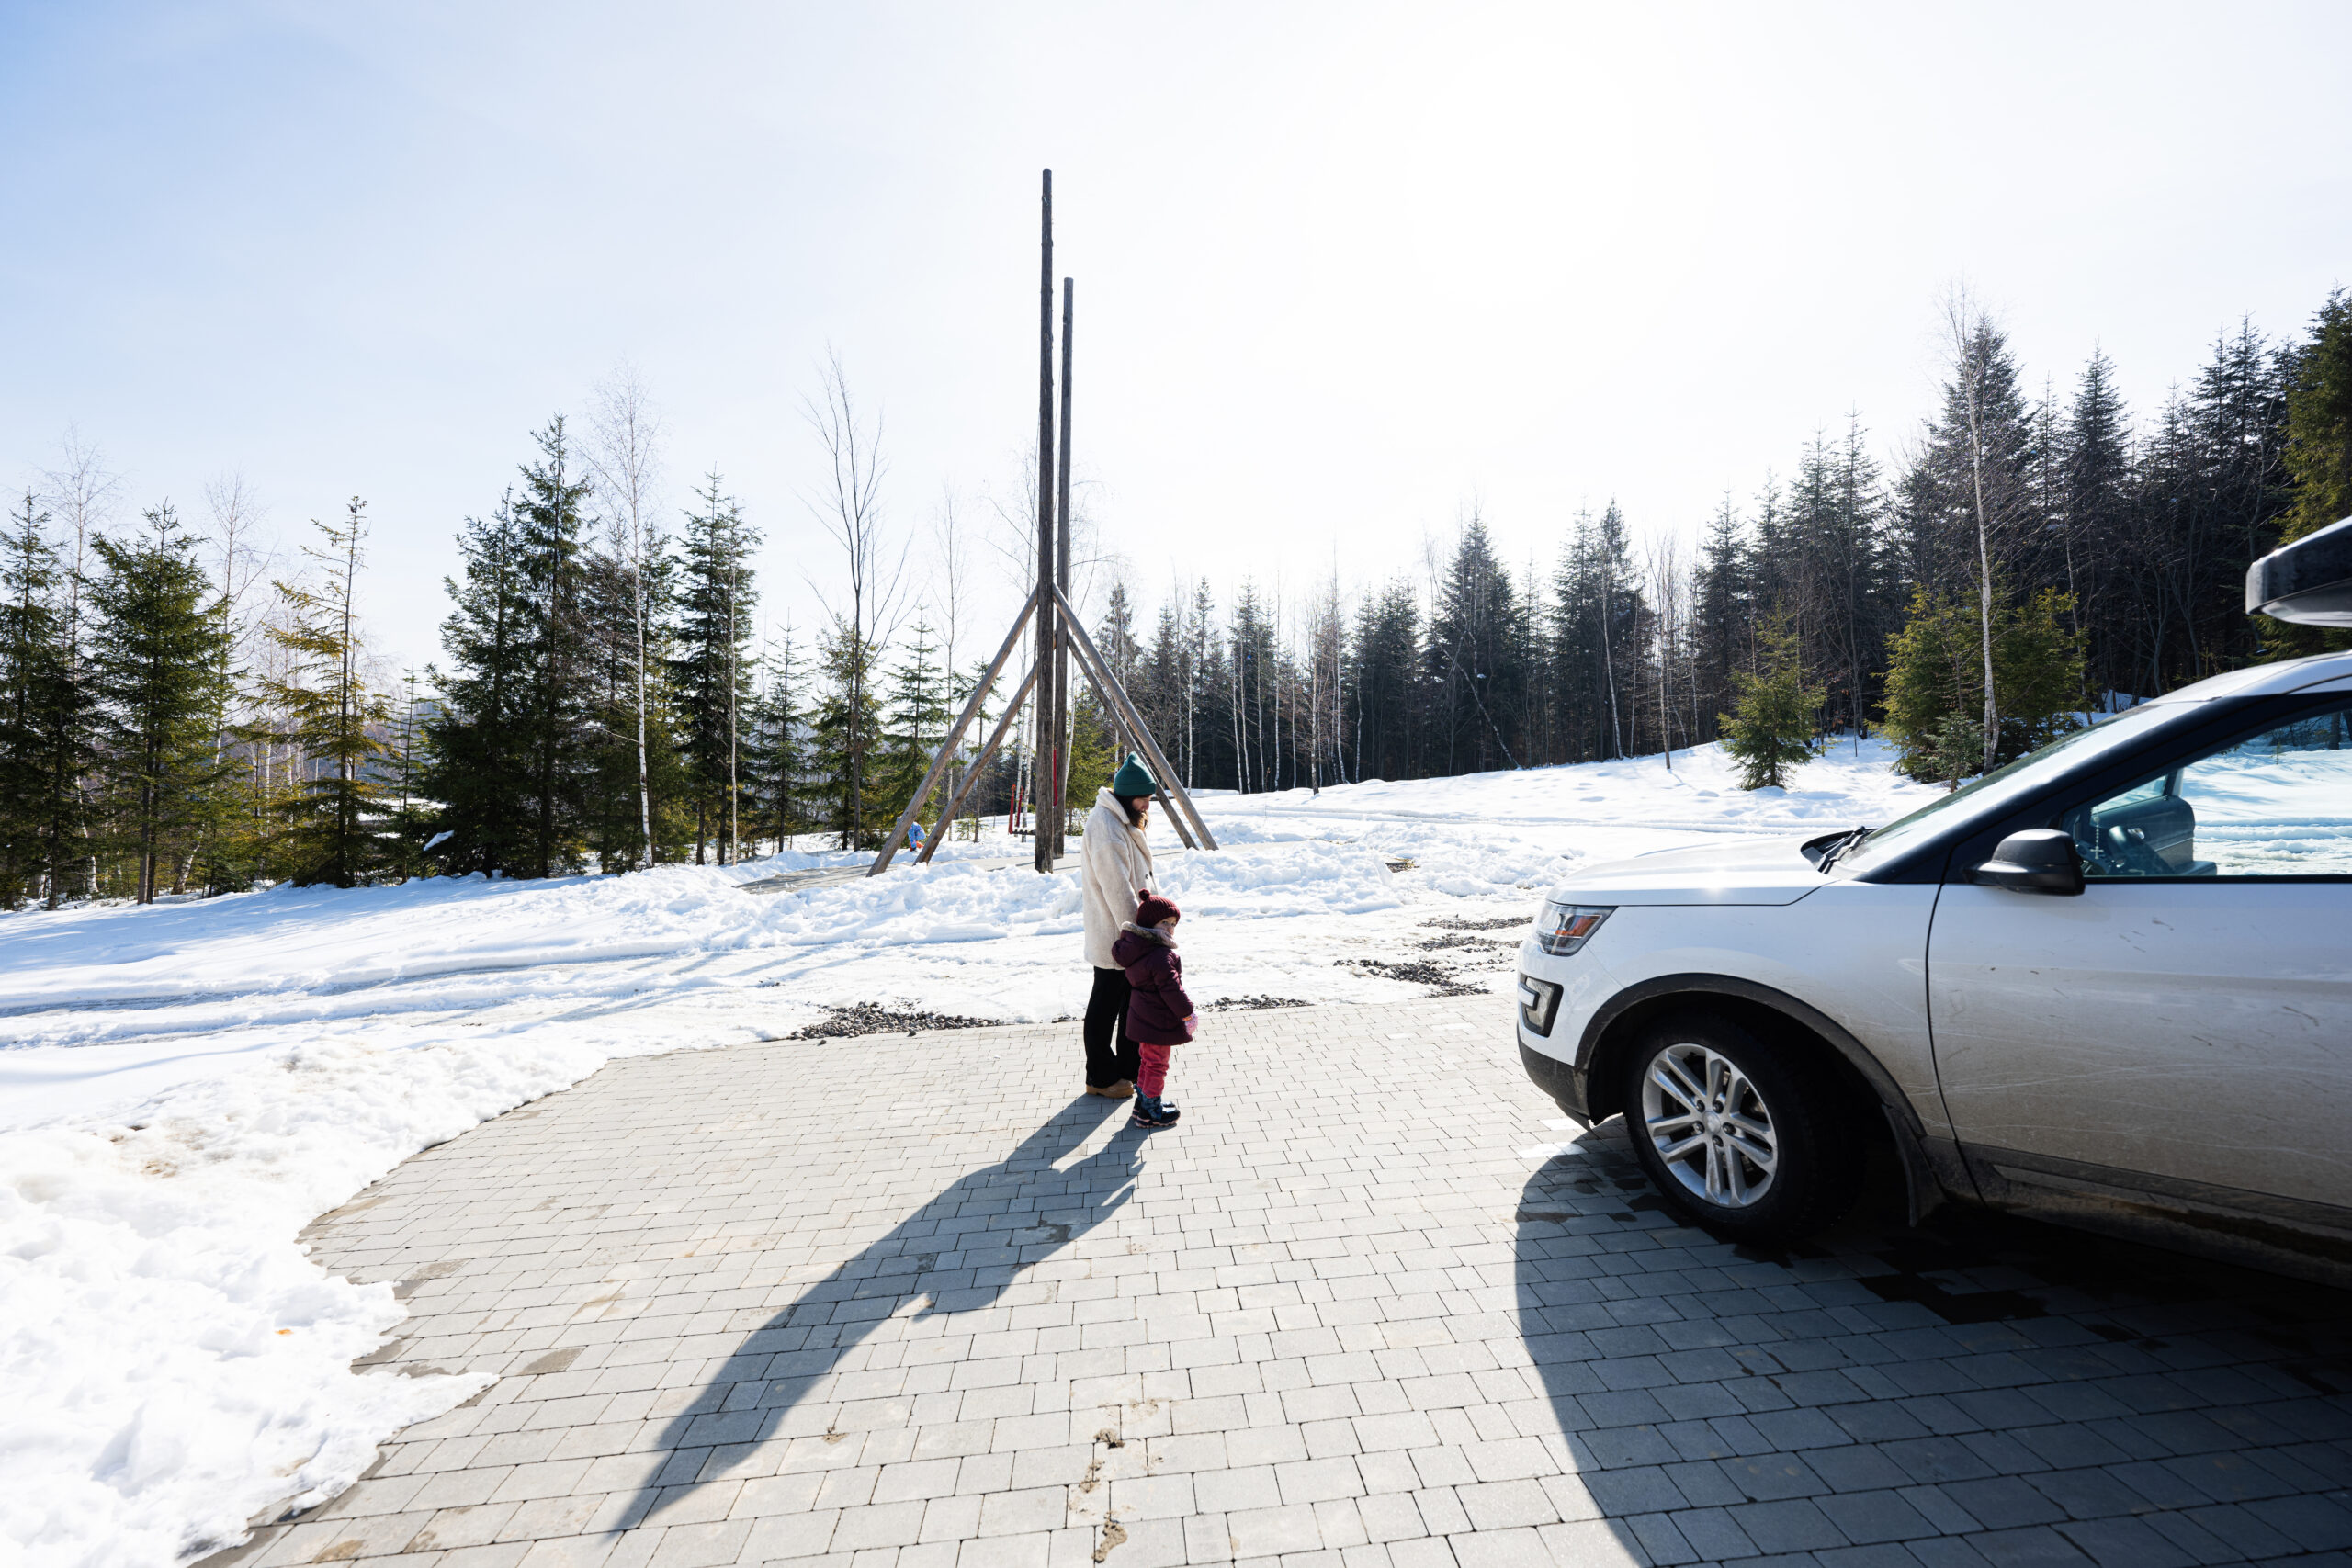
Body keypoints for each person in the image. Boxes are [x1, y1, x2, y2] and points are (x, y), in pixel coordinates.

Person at [1079, 754, 1160, 1098]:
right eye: (1143, 798)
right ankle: (1100, 1077)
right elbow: (1118, 889)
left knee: (1128, 1005)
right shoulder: (1107, 827)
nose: (1147, 804)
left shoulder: (1121, 819)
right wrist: (1140, 934)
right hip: (1118, 935)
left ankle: (1126, 1069)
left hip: (1127, 934)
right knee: (1105, 1006)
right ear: (1127, 795)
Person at [1111, 889, 1195, 1128]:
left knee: (1147, 1062)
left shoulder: (1139, 949)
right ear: (1150, 923)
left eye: (1173, 923)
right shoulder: (1160, 955)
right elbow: (1172, 989)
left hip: (1142, 1017)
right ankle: (1151, 1112)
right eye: (1164, 922)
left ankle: (1144, 1102)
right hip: (1158, 1020)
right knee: (1157, 1064)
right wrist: (1187, 1012)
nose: (1170, 928)